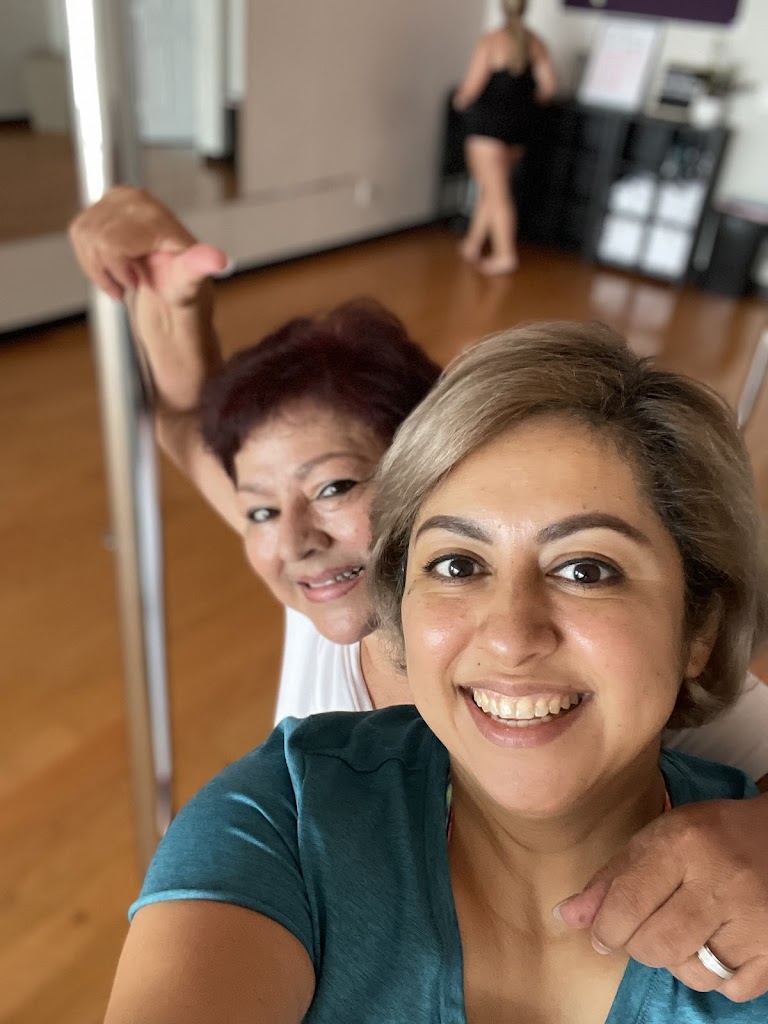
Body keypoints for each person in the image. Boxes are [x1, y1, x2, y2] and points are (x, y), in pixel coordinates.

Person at [70, 192, 768, 993]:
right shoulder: (322, 592)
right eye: (458, 563)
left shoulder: (653, 670)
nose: (292, 542)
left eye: (586, 570)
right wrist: (173, 308)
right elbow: (192, 424)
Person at [452, 0, 557, 275]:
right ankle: (472, 244)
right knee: (492, 189)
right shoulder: (536, 43)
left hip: (488, 130)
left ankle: (505, 254)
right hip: (518, 131)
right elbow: (549, 88)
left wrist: (459, 101)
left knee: (497, 194)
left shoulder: (490, 41)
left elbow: (470, 89)